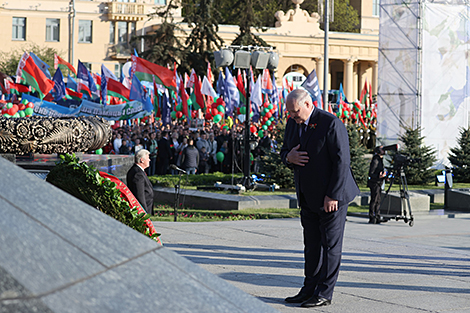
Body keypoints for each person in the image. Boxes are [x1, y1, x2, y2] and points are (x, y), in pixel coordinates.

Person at [281, 89, 359, 308]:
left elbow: (342, 162)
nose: (293, 117)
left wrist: (333, 194)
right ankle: (308, 289)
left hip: (331, 197)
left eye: (295, 112)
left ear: (308, 104)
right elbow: (284, 151)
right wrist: (289, 157)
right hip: (307, 196)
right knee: (312, 245)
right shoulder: (292, 123)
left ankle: (324, 292)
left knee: (330, 246)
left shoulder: (330, 123)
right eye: (290, 113)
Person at [126, 149, 154, 216]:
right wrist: (143, 212)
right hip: (142, 211)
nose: (149, 160)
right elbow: (139, 195)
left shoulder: (138, 171)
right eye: (148, 158)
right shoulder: (137, 173)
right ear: (142, 160)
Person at [368, 146, 387, 224]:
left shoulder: (380, 160)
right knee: (374, 200)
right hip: (374, 183)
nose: (385, 151)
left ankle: (377, 216)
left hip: (379, 182)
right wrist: (378, 176)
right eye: (383, 150)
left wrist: (384, 177)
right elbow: (371, 173)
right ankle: (372, 217)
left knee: (378, 200)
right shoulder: (376, 160)